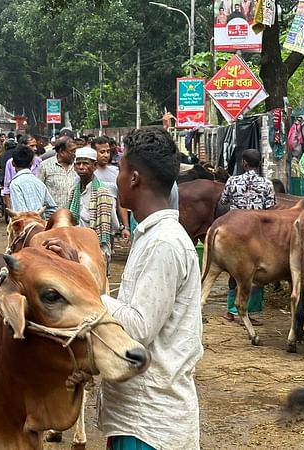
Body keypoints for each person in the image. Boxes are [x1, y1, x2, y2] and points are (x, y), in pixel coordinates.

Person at [48, 128, 203, 450]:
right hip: (137, 415)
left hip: (151, 424)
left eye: (119, 169)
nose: (115, 178)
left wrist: (80, 287)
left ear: (133, 179)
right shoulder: (151, 235)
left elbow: (137, 326)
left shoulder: (164, 242)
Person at [219, 148, 275, 323]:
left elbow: (223, 201)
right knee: (256, 272)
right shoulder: (267, 184)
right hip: (257, 233)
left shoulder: (232, 180)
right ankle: (249, 311)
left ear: (244, 163)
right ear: (260, 164)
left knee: (233, 271)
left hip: (235, 231)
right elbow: (271, 208)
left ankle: (231, 310)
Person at [68, 146, 116, 264]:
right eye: (78, 164)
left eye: (85, 163)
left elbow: (114, 225)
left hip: (97, 249)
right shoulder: (73, 191)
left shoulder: (103, 192)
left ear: (94, 166)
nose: (81, 167)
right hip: (75, 247)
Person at [92, 136, 130, 240]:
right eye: (102, 152)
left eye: (108, 152)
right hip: (91, 224)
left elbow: (120, 203)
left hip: (110, 224)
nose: (106, 155)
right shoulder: (89, 173)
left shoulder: (116, 173)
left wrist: (125, 227)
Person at [8, 144, 57, 217]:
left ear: (13, 163)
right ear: (32, 162)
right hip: (40, 225)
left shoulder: (15, 184)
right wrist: (40, 216)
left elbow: (21, 213)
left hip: (25, 226)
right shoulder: (39, 182)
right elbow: (52, 209)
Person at [2, 134, 42, 212]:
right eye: (32, 146)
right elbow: (7, 187)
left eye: (35, 146)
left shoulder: (39, 162)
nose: (35, 148)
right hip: (17, 204)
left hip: (35, 206)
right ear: (23, 147)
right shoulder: (11, 162)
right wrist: (10, 209)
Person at [38, 137, 78, 209]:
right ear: (61, 152)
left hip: (73, 215)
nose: (74, 154)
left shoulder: (78, 165)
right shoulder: (45, 166)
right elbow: (39, 190)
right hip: (53, 215)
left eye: (75, 151)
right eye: (72, 151)